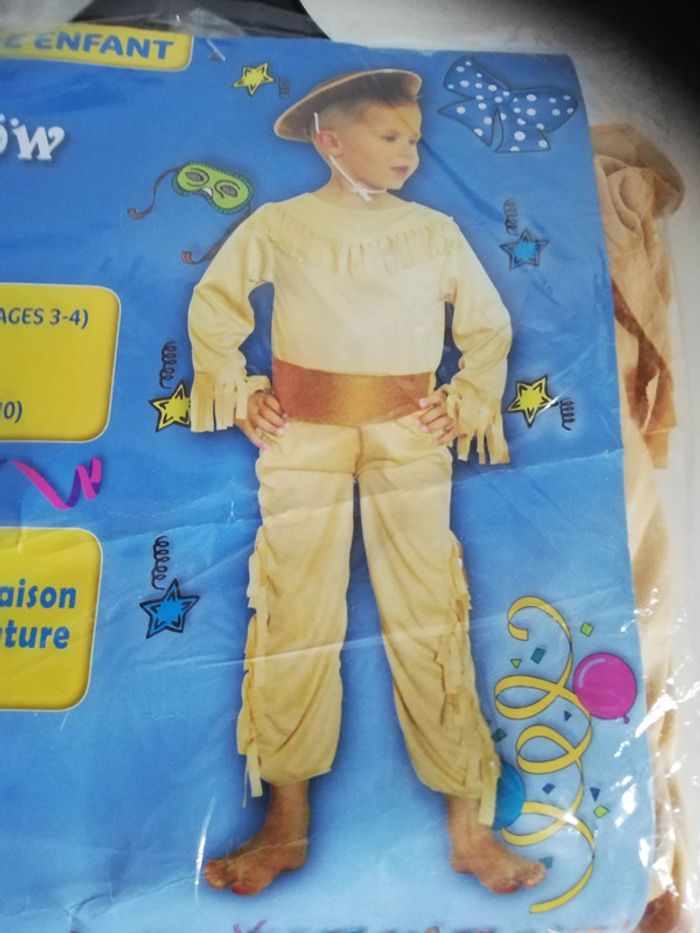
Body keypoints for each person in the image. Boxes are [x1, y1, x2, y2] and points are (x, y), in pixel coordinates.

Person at [188, 68, 546, 898]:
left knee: (429, 608)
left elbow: (487, 325)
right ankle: (286, 826)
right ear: (331, 141)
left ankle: (469, 827)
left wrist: (463, 399)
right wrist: (240, 391)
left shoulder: (432, 232)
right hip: (302, 433)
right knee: (294, 609)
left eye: (413, 139)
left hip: (407, 435)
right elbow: (215, 303)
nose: (408, 153)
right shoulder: (279, 225)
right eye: (389, 137)